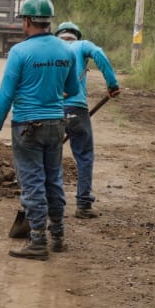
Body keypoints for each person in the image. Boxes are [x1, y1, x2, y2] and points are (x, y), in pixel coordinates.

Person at [0, 0, 80, 260]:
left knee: (33, 183)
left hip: (27, 126)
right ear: (48, 21)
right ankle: (58, 236)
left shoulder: (20, 51)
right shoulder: (66, 50)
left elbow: (6, 95)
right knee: (54, 179)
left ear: (27, 20)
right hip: (56, 124)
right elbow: (72, 89)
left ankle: (38, 241)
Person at [57, 22, 121, 218]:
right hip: (76, 109)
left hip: (51, 110)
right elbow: (99, 54)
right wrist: (112, 84)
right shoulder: (82, 45)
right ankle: (83, 205)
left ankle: (48, 204)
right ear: (75, 35)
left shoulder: (50, 47)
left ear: (59, 35)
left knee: (49, 156)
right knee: (84, 156)